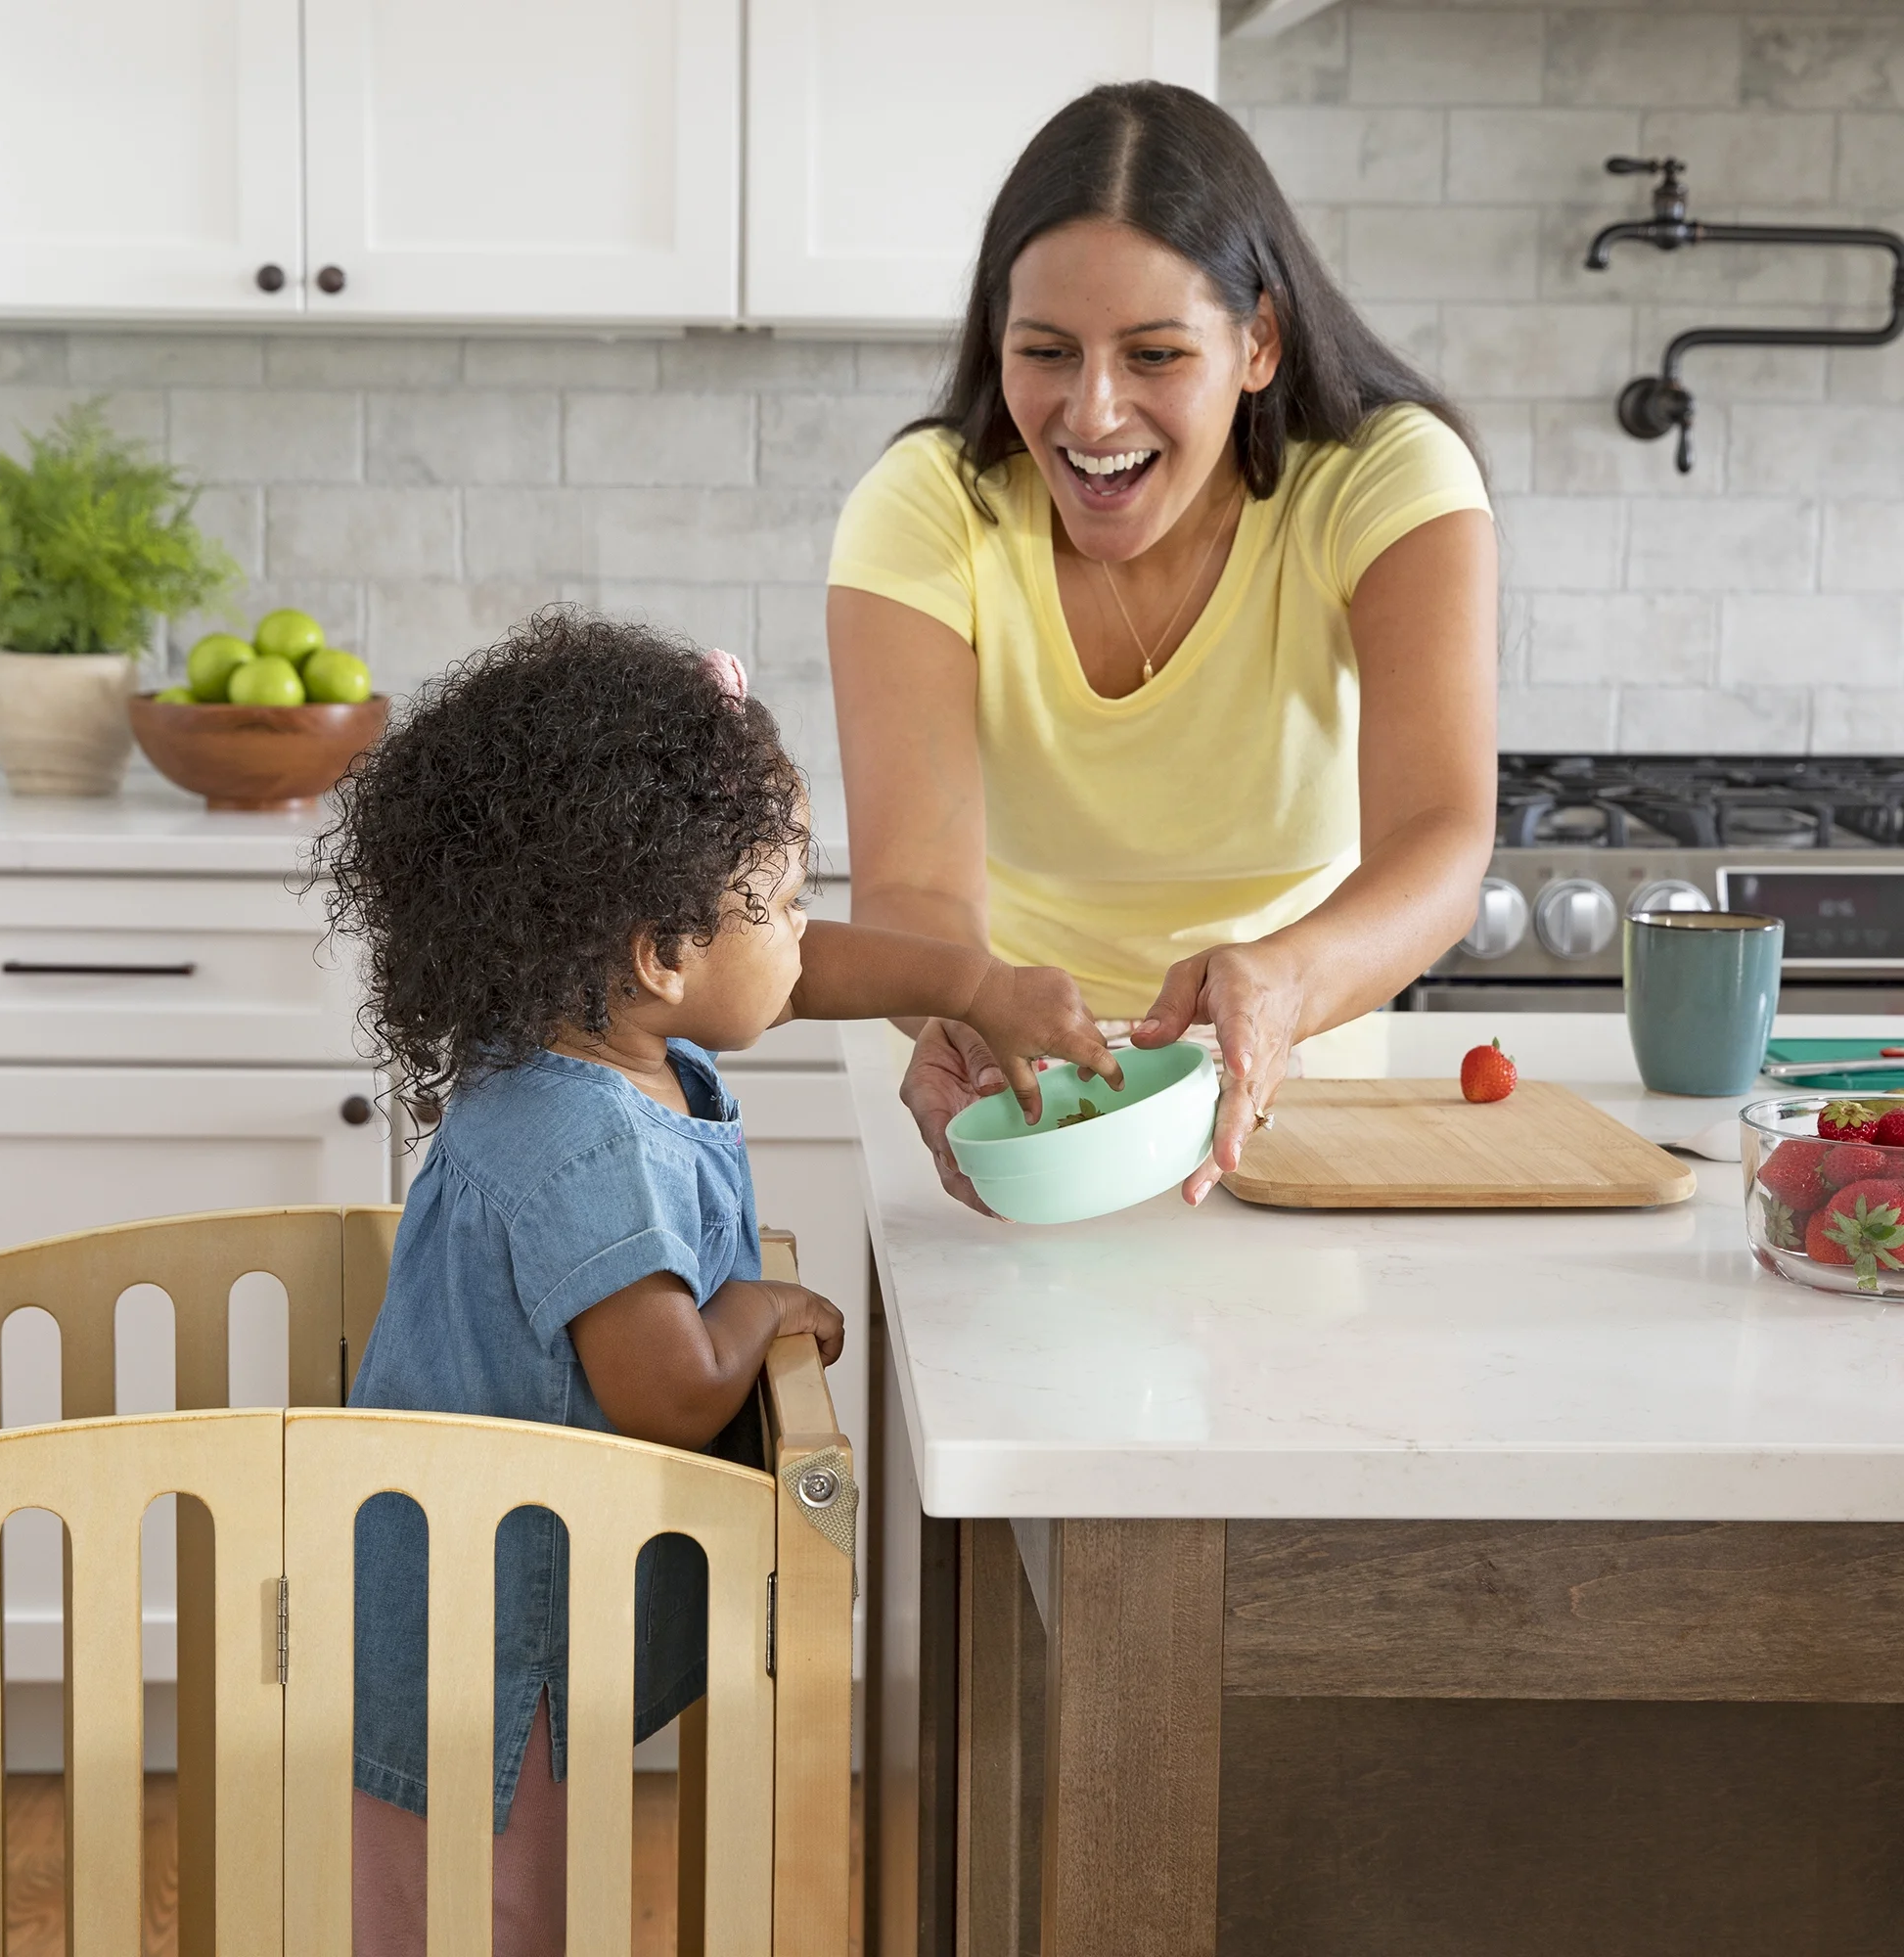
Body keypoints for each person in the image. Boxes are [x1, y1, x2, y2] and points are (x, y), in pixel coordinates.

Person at [315, 613, 1115, 1954]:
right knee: (482, 1911)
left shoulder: (591, 1031)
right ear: (661, 953)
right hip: (480, 1630)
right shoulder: (582, 1140)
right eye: (787, 902)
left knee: (483, 1889)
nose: (805, 935)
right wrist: (764, 1306)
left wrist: (979, 984)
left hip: (484, 1592)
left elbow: (798, 980)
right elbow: (668, 1390)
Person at [828, 80, 1499, 1210]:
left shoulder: (1384, 479)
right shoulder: (926, 506)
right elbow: (907, 883)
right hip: (1020, 1100)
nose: (1091, 412)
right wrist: (963, 1002)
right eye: (1047, 350)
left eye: (1152, 354)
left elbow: (1439, 836)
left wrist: (1282, 984)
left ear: (1258, 341)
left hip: (1301, 1102)